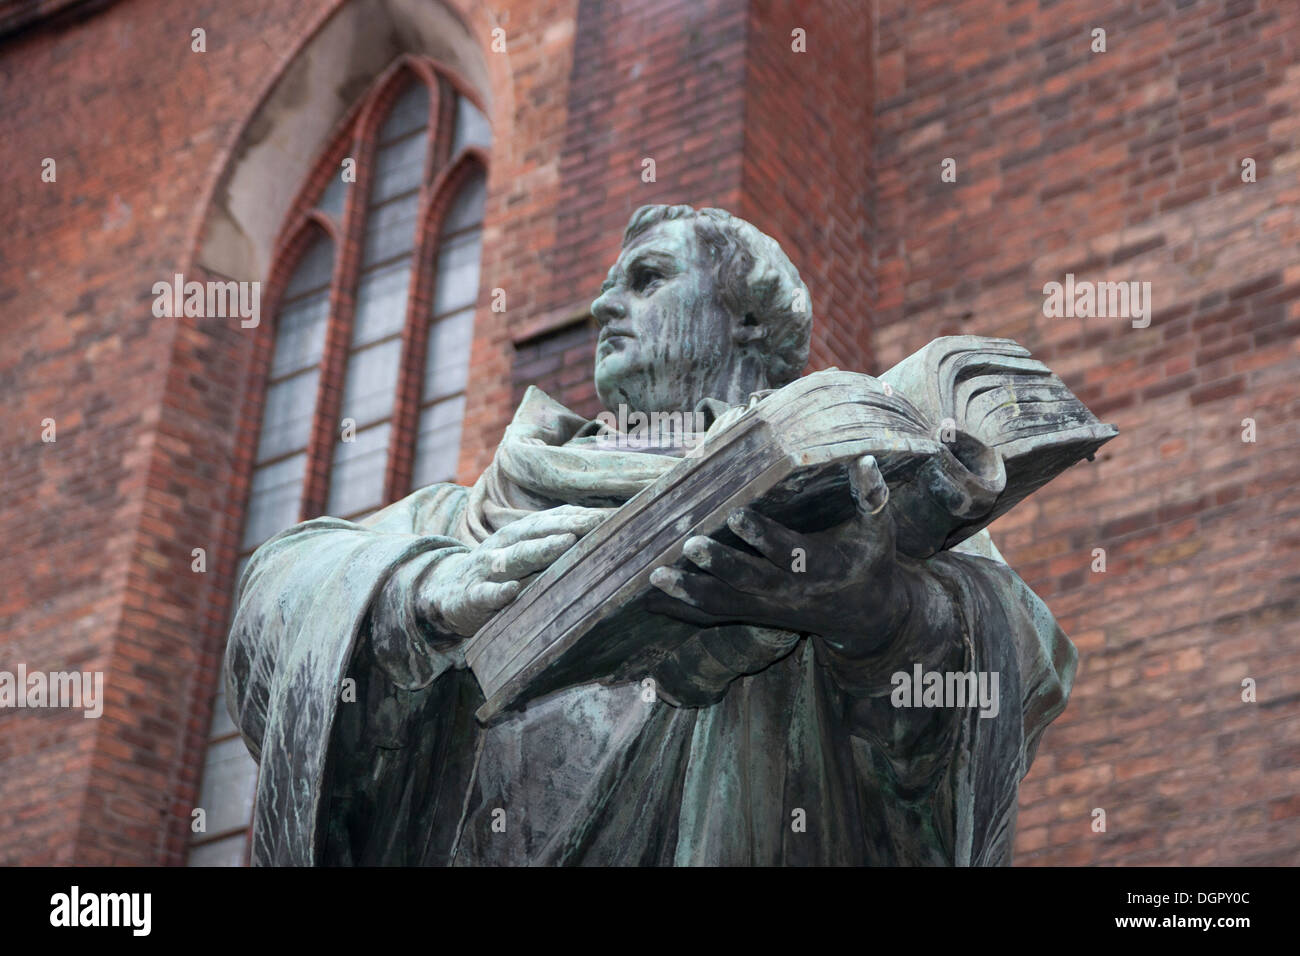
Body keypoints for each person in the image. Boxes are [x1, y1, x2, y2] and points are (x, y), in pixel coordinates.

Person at [225, 205, 1076, 865]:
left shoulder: (850, 491)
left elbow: (1019, 667)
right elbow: (276, 589)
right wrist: (425, 597)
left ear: (746, 320)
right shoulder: (481, 511)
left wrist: (881, 616)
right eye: (608, 286)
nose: (603, 305)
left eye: (647, 279)